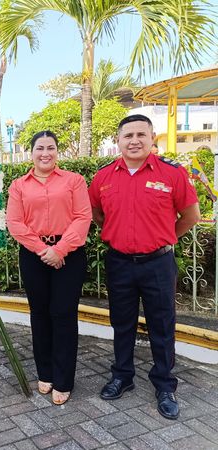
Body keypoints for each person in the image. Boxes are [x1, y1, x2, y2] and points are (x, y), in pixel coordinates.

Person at [89, 114, 200, 420]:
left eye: (141, 134)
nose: (134, 140)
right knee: (121, 323)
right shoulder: (103, 177)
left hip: (158, 264)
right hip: (120, 263)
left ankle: (164, 385)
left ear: (153, 138)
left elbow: (191, 216)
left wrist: (164, 238)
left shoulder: (172, 173)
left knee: (161, 326)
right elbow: (97, 215)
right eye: (128, 135)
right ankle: (122, 376)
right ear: (118, 141)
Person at [6, 130, 92, 405]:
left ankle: (64, 380)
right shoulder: (18, 186)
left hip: (69, 255)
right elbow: (15, 223)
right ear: (31, 153)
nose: (45, 153)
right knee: (40, 314)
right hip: (34, 256)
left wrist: (60, 249)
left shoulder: (74, 181)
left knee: (63, 314)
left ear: (57, 151)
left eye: (51, 148)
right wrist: (44, 250)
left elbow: (83, 217)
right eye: (40, 148)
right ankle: (45, 372)